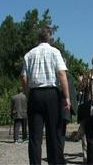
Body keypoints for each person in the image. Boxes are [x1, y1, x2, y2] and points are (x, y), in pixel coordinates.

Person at [21, 26, 71, 164]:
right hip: (51, 94)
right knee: (53, 134)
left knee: (35, 137)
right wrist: (66, 97)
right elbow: (62, 74)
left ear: (38, 38)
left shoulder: (29, 54)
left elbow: (24, 77)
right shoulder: (55, 52)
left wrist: (28, 93)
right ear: (49, 38)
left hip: (35, 94)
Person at [60, 70, 78, 153]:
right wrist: (74, 109)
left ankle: (56, 153)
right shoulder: (68, 76)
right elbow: (71, 91)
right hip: (64, 105)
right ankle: (59, 152)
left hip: (55, 105)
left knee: (53, 131)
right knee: (61, 131)